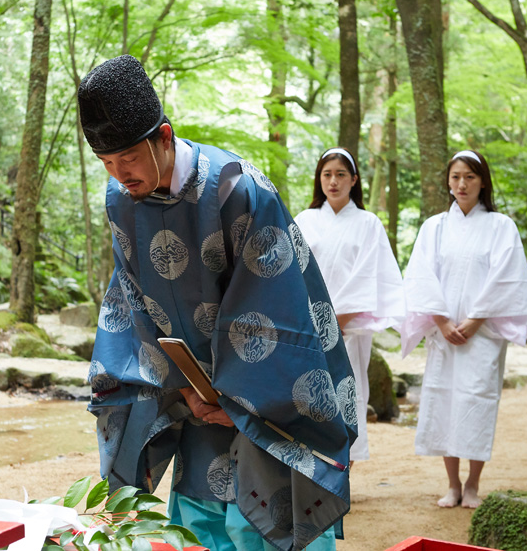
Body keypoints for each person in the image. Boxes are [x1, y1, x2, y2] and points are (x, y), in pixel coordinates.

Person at [79, 55, 359, 551]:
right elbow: (134, 304)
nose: (120, 175)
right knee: (202, 524)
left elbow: (273, 308)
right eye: (106, 164)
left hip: (265, 391)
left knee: (266, 522)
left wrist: (238, 404)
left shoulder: (237, 189)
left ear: (163, 137)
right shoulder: (121, 200)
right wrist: (180, 387)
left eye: (129, 159)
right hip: (191, 393)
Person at [400, 150, 527, 509]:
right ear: (448, 181)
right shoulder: (434, 227)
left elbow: (508, 276)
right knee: (444, 399)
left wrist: (475, 320)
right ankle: (452, 484)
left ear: (483, 182)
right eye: (456, 177)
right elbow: (420, 275)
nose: (462, 184)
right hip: (444, 333)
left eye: (470, 177)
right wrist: (442, 320)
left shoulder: (501, 226)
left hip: (483, 333)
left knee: (477, 400)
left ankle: (473, 484)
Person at [293, 148, 405, 465]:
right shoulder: (305, 220)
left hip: (350, 328)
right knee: (311, 396)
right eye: (327, 174)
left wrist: (337, 319)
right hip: (311, 327)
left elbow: (370, 275)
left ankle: (344, 472)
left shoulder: (368, 223)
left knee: (349, 394)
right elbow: (294, 272)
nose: (333, 181)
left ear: (354, 180)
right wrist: (315, 320)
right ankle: (314, 472)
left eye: (341, 174)